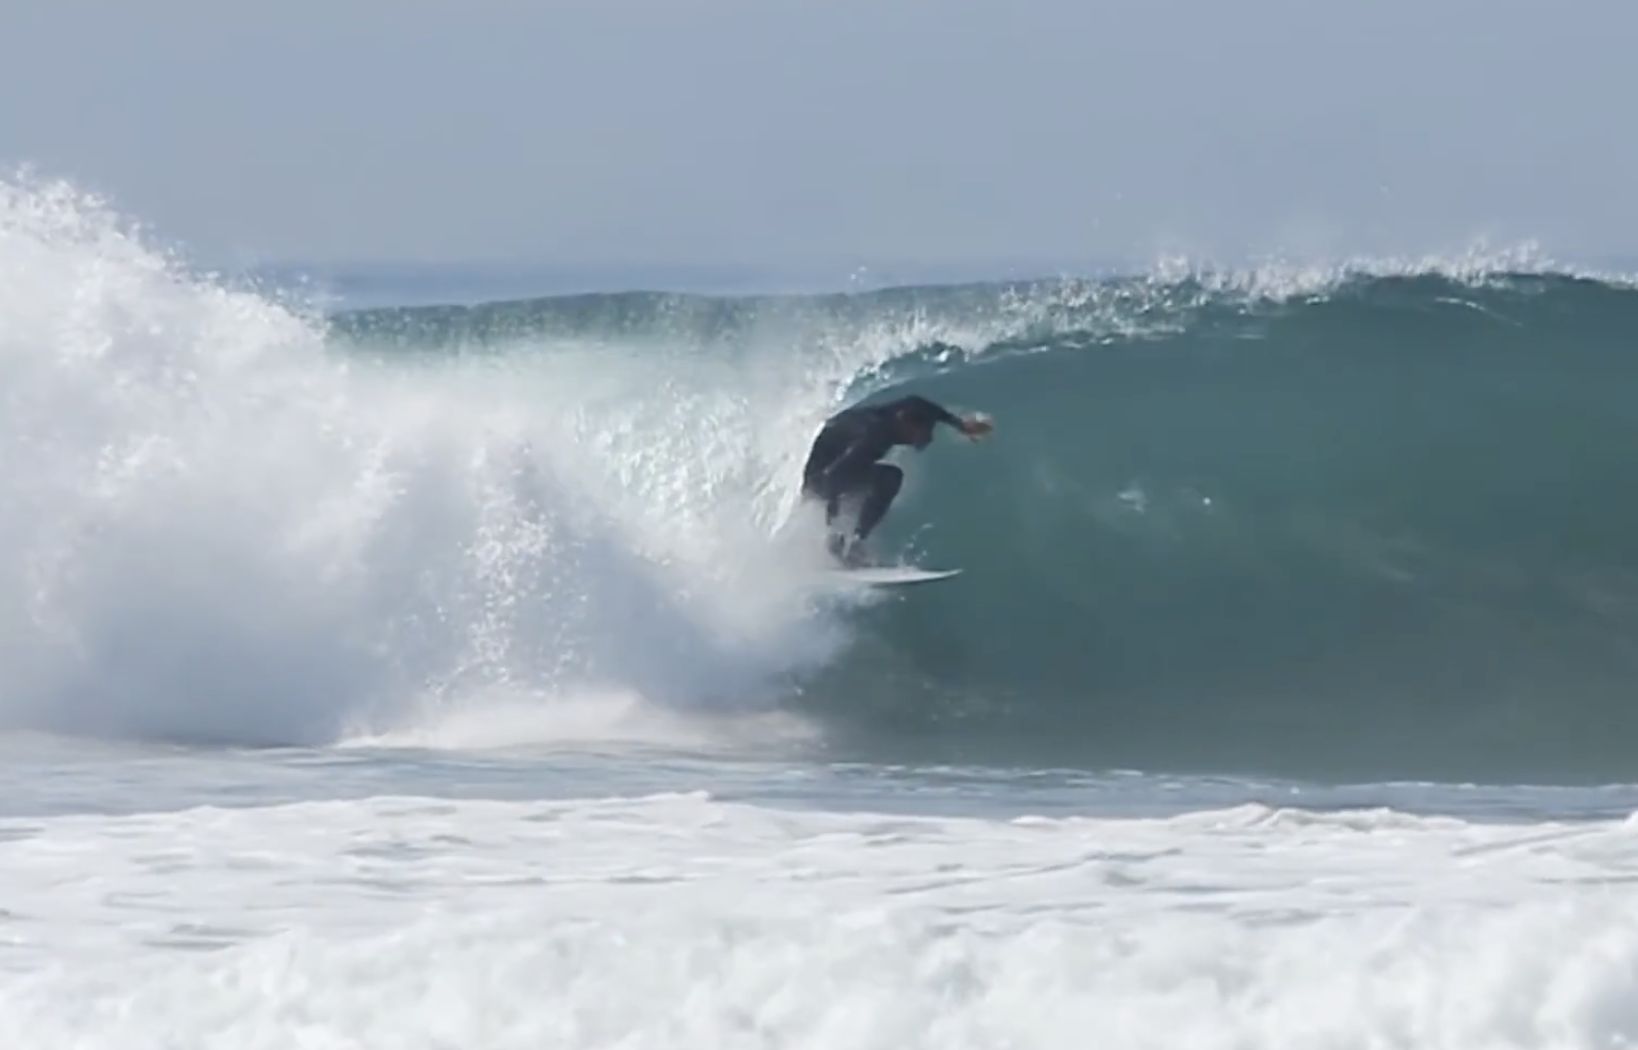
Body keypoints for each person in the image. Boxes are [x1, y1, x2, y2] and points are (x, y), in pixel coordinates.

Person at [801, 394, 993, 564]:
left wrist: (960, 425)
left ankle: (856, 540)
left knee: (881, 478)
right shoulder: (872, 437)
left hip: (837, 460)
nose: (927, 437)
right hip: (817, 476)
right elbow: (832, 478)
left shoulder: (905, 410)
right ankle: (849, 545)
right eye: (922, 432)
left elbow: (923, 404)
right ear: (905, 423)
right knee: (889, 478)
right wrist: (832, 530)